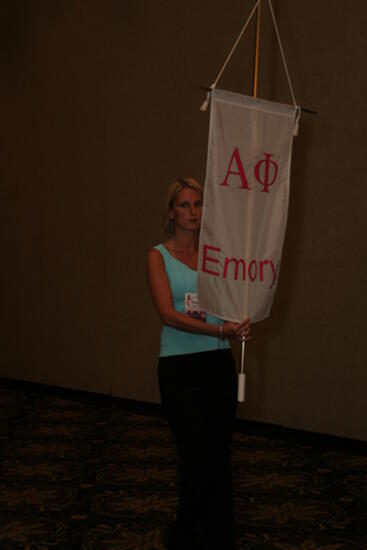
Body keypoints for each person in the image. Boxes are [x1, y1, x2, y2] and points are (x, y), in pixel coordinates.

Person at [146, 178, 251, 550]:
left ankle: (220, 534)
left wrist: (236, 325)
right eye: (185, 205)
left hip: (217, 365)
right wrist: (220, 330)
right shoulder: (158, 256)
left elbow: (226, 306)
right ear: (171, 212)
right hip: (179, 368)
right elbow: (168, 314)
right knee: (195, 456)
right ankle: (185, 534)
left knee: (219, 454)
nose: (193, 212)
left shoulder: (215, 256)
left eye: (198, 205)